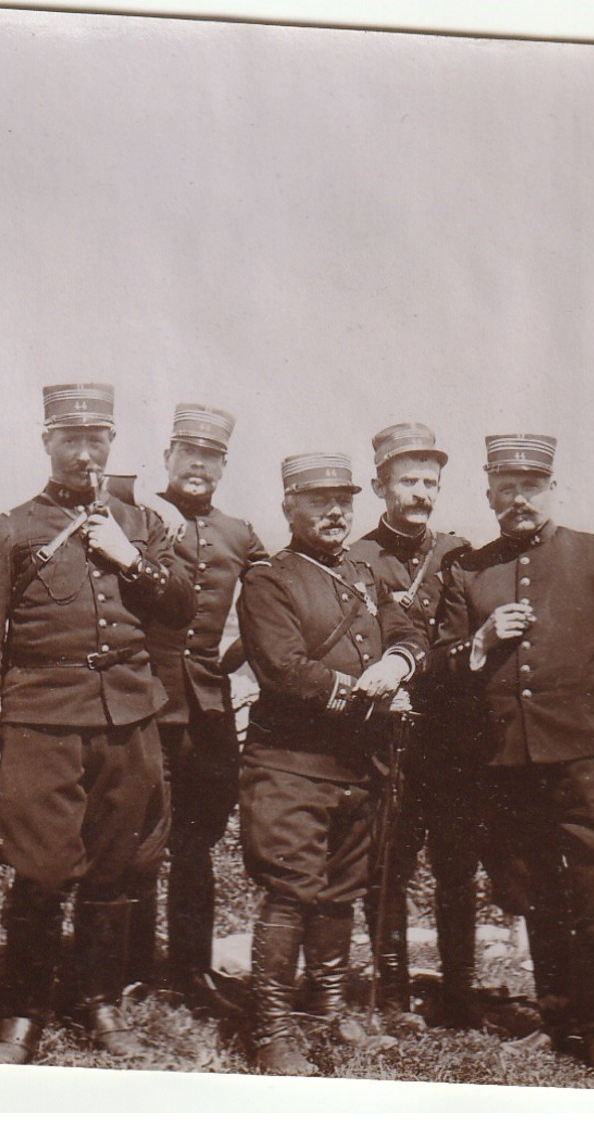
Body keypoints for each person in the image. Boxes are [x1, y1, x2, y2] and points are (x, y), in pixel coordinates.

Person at [430, 434, 594, 1074]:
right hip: (508, 764)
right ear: (489, 493)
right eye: (506, 488)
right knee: (536, 891)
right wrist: (483, 641)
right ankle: (555, 1021)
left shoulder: (590, 552)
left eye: (531, 487)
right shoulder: (467, 569)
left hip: (586, 756)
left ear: (553, 489)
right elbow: (438, 666)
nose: (518, 499)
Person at [0, 383, 194, 1065]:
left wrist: (131, 556)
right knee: (39, 869)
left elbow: (179, 609)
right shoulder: (12, 527)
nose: (84, 451)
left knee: (115, 870)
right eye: (71, 439)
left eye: (97, 439)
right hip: (41, 719)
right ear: (47, 442)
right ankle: (24, 1009)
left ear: (112, 443)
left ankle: (99, 1001)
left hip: (128, 714)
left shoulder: (142, 523)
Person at [236, 452, 424, 1076]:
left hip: (355, 766)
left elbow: (411, 630)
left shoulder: (365, 576)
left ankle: (331, 1009)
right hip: (290, 764)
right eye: (319, 501)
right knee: (291, 892)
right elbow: (284, 670)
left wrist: (397, 663)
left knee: (340, 892)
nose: (336, 512)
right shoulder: (269, 580)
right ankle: (272, 1028)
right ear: (289, 506)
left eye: (344, 499)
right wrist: (365, 691)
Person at [123, 403, 267, 1013]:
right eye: (188, 455)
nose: (198, 467)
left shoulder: (240, 533)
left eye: (210, 459)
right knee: (136, 837)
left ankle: (190, 970)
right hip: (140, 700)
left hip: (206, 710)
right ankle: (129, 971)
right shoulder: (130, 515)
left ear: (224, 466)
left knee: (195, 842)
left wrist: (231, 660)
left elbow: (272, 608)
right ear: (168, 458)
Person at [346, 423, 484, 1026]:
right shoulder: (356, 559)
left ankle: (459, 995)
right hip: (386, 737)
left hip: (452, 737)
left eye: (431, 481)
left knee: (457, 863)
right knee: (387, 865)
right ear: (380, 486)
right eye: (408, 480)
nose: (421, 492)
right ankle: (395, 997)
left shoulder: (460, 553)